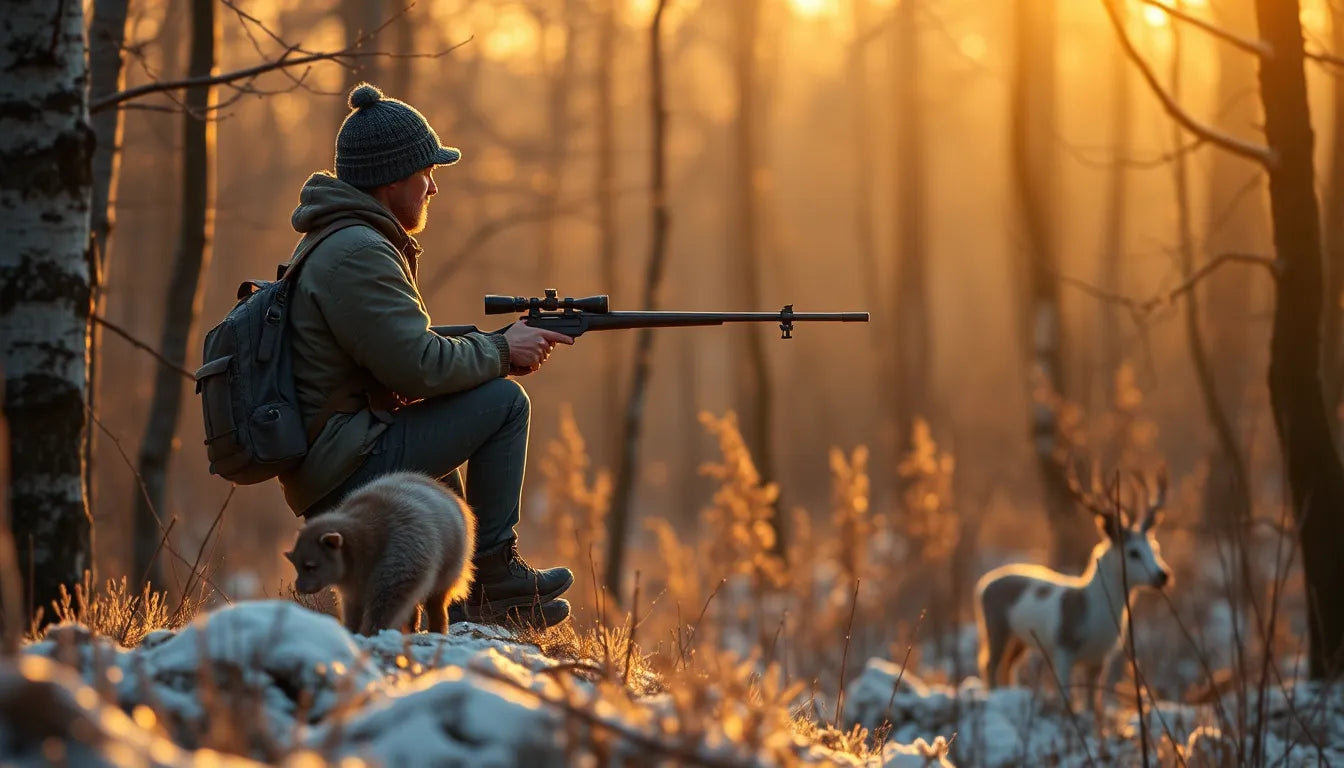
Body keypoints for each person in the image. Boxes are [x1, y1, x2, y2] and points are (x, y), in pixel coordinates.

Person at [279, 82, 576, 628]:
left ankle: (463, 600)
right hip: (345, 468)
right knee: (504, 402)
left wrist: (488, 349)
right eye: (426, 173)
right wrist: (502, 350)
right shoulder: (359, 251)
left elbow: (396, 361)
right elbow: (417, 364)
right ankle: (491, 577)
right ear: (394, 180)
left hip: (339, 455)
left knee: (451, 426)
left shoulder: (344, 240)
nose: (433, 187)